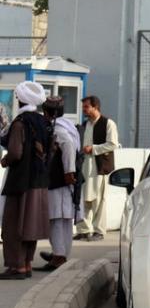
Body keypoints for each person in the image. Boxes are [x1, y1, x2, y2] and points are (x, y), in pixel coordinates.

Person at [0, 81, 52, 279]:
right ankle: (27, 265)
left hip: (20, 182)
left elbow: (15, 152)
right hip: (39, 182)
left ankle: (17, 267)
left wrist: (5, 160)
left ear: (21, 100)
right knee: (30, 226)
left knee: (14, 225)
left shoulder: (20, 123)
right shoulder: (42, 122)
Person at [38, 96, 81, 271]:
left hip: (60, 180)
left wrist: (68, 172)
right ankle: (62, 253)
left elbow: (69, 147)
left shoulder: (59, 128)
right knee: (64, 219)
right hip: (65, 179)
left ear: (48, 112)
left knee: (56, 218)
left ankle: (58, 257)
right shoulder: (69, 125)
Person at [74, 96, 118, 242]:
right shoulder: (85, 125)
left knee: (99, 199)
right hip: (85, 165)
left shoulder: (108, 123)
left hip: (99, 166)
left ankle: (99, 231)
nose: (84, 110)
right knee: (83, 198)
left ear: (95, 107)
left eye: (86, 107)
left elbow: (112, 144)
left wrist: (93, 149)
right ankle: (84, 230)